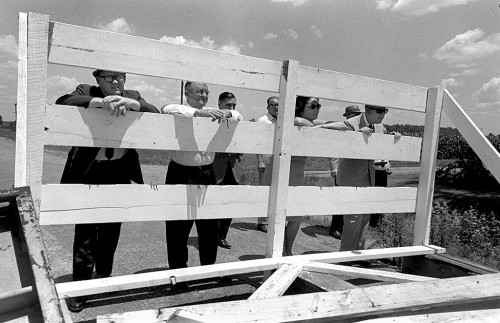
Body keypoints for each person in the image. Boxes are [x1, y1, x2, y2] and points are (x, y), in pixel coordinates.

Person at [56, 69, 158, 312]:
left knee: (112, 229)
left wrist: (131, 103)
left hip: (119, 171)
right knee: (86, 230)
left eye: (119, 77)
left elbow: (154, 112)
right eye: (109, 78)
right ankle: (80, 288)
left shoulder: (133, 94)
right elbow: (63, 101)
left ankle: (103, 276)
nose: (116, 82)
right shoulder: (85, 90)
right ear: (98, 80)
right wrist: (100, 103)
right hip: (90, 170)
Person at [161, 82, 243, 277]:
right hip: (180, 173)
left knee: (208, 226)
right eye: (199, 91)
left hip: (206, 172)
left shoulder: (212, 112)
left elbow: (238, 115)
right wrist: (197, 114)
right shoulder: (179, 110)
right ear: (187, 93)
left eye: (207, 92)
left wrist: (227, 114)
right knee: (177, 227)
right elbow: (165, 108)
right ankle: (178, 273)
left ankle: (209, 269)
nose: (204, 95)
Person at [315, 105, 400, 266]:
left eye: (385, 111)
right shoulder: (353, 122)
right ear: (368, 111)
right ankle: (345, 256)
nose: (383, 115)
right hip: (351, 176)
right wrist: (355, 135)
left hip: (369, 177)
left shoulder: (380, 126)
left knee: (365, 217)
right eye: (379, 111)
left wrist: (394, 137)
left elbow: (384, 141)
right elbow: (336, 127)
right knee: (353, 218)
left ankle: (359, 254)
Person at [263, 96, 324, 256]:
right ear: (300, 107)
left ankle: (287, 251)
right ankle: (279, 251)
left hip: (297, 174)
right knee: (279, 215)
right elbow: (312, 126)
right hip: (280, 172)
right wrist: (329, 126)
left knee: (296, 216)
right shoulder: (296, 120)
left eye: (319, 106)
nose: (317, 109)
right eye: (313, 106)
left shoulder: (309, 123)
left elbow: (323, 125)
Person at [212, 92, 244, 249]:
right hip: (217, 165)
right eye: (228, 105)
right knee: (214, 203)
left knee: (229, 204)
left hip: (233, 167)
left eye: (234, 105)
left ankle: (222, 236)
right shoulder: (212, 117)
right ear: (219, 104)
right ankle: (211, 235)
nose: (232, 108)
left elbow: (238, 116)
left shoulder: (236, 117)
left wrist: (230, 112)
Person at [328, 105, 362, 239]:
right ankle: (335, 228)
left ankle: (345, 228)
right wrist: (334, 168)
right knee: (340, 199)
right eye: (354, 115)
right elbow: (334, 149)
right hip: (342, 170)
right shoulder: (342, 128)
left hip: (355, 171)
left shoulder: (359, 129)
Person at [256, 96, 279, 233]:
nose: (276, 107)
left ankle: (273, 219)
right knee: (265, 190)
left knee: (276, 190)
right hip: (266, 157)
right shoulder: (263, 121)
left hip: (278, 157)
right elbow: (258, 142)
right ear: (268, 107)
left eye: (278, 105)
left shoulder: (281, 120)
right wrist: (260, 161)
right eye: (273, 105)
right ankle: (262, 222)